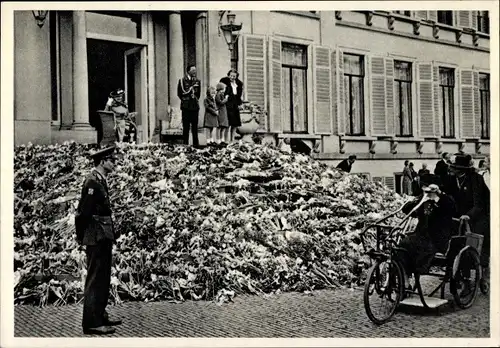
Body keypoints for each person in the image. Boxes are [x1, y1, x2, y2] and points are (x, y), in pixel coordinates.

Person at [75, 146, 122, 335]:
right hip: (96, 235)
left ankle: (100, 314)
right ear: (102, 162)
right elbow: (83, 213)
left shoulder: (100, 180)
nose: (114, 163)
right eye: (111, 160)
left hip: (103, 234)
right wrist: (82, 237)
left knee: (103, 276)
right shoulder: (92, 182)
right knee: (95, 277)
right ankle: (92, 322)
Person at [397, 174, 456, 284]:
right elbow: (407, 209)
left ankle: (412, 273)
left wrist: (438, 196)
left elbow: (451, 208)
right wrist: (419, 200)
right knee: (401, 247)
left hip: (437, 238)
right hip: (421, 235)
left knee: (411, 246)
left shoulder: (444, 200)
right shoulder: (423, 199)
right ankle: (405, 280)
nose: (426, 191)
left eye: (428, 189)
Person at [445, 153, 490, 273]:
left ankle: (480, 273)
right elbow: (448, 196)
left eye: (452, 167)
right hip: (461, 217)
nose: (449, 168)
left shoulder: (476, 179)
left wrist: (468, 215)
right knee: (456, 240)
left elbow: (479, 204)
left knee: (474, 243)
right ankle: (457, 270)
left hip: (479, 216)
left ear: (460, 169)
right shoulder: (452, 179)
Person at [178, 65, 201, 148]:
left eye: (195, 70)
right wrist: (187, 100)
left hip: (194, 107)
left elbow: (198, 94)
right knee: (186, 127)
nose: (195, 72)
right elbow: (180, 93)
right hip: (186, 107)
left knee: (195, 127)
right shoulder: (182, 81)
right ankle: (185, 144)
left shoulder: (197, 81)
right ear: (188, 71)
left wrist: (193, 100)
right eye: (193, 70)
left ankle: (196, 145)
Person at [220, 69, 244, 143]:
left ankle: (232, 139)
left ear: (236, 76)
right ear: (228, 75)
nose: (232, 77)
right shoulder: (224, 81)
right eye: (231, 76)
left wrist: (239, 104)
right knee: (228, 123)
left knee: (235, 123)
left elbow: (239, 95)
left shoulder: (238, 84)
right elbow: (222, 92)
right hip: (228, 104)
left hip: (235, 104)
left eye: (234, 76)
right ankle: (226, 139)